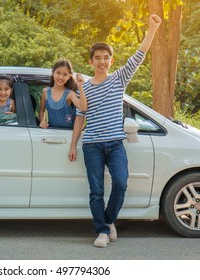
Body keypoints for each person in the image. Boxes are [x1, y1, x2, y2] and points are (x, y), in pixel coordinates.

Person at [68, 14, 162, 248]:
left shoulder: (119, 79)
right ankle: (101, 231)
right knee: (96, 190)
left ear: (111, 61)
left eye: (106, 57)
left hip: (115, 144)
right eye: (97, 58)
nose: (102, 61)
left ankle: (109, 221)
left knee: (121, 183)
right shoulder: (84, 86)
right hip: (92, 146)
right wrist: (72, 145)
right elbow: (81, 117)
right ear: (91, 62)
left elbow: (139, 56)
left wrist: (152, 28)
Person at [39, 59, 87, 129]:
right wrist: (42, 122)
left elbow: (83, 107)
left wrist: (80, 87)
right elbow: (41, 110)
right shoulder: (45, 92)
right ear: (53, 72)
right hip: (51, 133)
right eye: (58, 73)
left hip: (69, 135)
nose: (61, 77)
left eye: (65, 74)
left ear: (69, 76)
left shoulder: (70, 94)